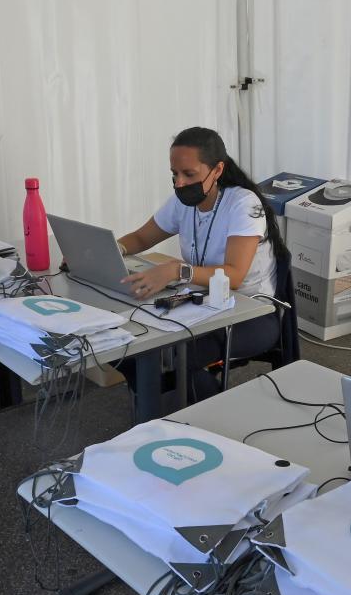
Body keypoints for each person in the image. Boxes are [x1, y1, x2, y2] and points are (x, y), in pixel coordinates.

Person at [116, 126, 289, 401]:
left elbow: (234, 276)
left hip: (250, 313)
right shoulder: (181, 202)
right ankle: (163, 398)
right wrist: (116, 248)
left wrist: (177, 271)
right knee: (126, 338)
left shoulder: (243, 204)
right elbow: (140, 237)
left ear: (217, 170)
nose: (179, 183)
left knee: (180, 351)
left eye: (189, 174)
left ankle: (208, 412)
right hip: (202, 303)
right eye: (174, 174)